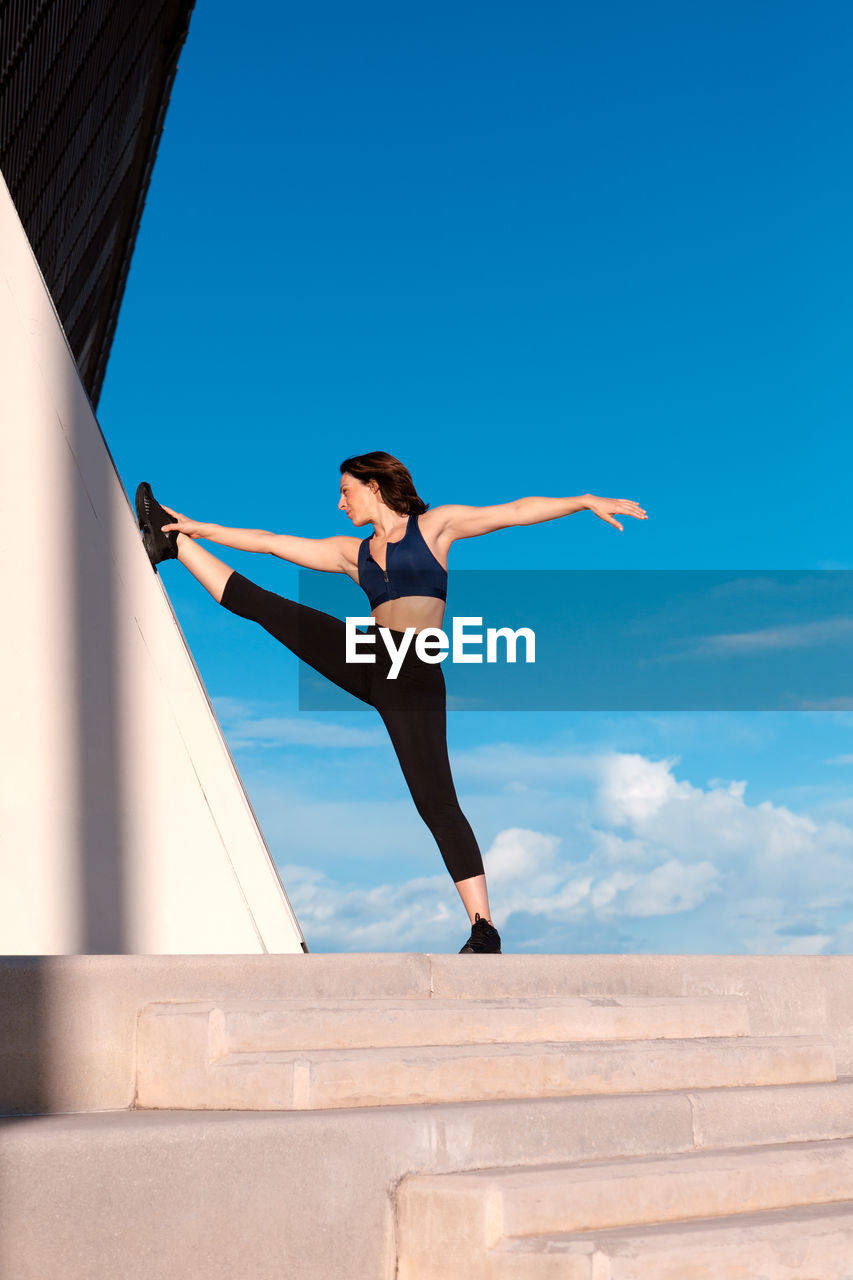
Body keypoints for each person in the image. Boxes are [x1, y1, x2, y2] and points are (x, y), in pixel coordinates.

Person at [135, 452, 647, 953]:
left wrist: (582, 501)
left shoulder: (434, 528)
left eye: (345, 491)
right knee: (272, 609)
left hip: (415, 674)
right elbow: (271, 544)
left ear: (372, 486)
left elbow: (512, 512)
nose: (340, 504)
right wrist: (194, 527)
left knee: (436, 802)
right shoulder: (351, 553)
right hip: (368, 658)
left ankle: (483, 927)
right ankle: (172, 545)